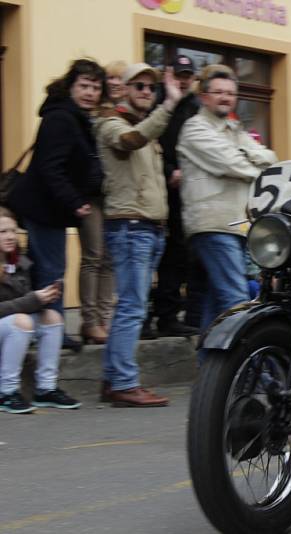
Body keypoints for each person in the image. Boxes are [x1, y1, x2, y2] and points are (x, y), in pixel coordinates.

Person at [95, 62, 182, 407]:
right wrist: (170, 104)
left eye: (151, 87)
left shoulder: (144, 128)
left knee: (130, 306)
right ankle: (124, 383)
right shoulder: (112, 124)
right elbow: (130, 140)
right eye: (139, 86)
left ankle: (114, 378)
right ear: (125, 90)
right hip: (131, 227)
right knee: (132, 307)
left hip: (147, 228)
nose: (146, 92)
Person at [8, 58, 108, 353]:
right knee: (52, 269)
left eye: (95, 87)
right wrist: (74, 201)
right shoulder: (61, 118)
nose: (90, 92)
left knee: (46, 268)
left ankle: (47, 326)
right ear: (71, 86)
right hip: (44, 208)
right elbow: (50, 167)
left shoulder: (75, 117)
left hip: (50, 208)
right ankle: (53, 329)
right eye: (84, 86)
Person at [178, 69, 277, 343]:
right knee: (236, 299)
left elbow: (270, 156)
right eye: (219, 92)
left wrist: (246, 155)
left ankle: (210, 374)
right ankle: (246, 368)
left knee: (215, 304)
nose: (225, 98)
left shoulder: (235, 130)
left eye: (231, 93)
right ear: (204, 96)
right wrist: (250, 159)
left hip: (236, 225)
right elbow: (229, 163)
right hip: (213, 223)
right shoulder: (195, 128)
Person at [0, 207, 80, 414]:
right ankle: (6, 392)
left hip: (10, 324)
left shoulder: (20, 262)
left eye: (12, 231)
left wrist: (44, 297)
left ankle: (46, 389)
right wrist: (32, 300)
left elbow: (22, 302)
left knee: (52, 317)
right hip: (11, 323)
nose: (10, 237)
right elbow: (18, 307)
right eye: (2, 232)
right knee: (22, 321)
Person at [145, 54, 203, 339]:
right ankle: (145, 319)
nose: (183, 80)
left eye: (187, 75)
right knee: (150, 254)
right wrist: (169, 170)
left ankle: (168, 316)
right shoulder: (157, 103)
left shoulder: (196, 107)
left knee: (177, 254)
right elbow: (149, 143)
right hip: (156, 187)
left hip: (185, 192)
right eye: (179, 75)